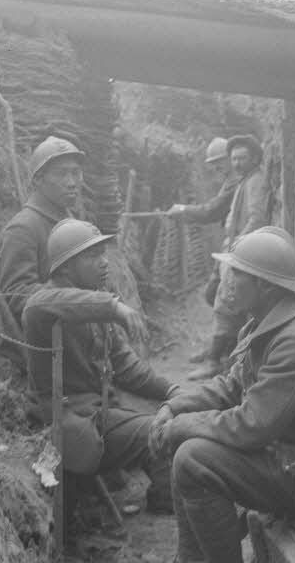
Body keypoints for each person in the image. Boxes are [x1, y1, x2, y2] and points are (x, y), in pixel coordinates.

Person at [127, 227, 295, 563]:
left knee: (194, 457)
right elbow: (230, 385)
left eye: (237, 274)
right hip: (294, 456)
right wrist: (175, 407)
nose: (226, 281)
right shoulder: (264, 326)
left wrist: (184, 427)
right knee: (189, 442)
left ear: (266, 287)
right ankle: (192, 562)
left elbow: (252, 425)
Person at [22, 219, 181, 514]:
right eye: (92, 256)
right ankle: (166, 506)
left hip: (99, 411)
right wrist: (113, 306)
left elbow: (126, 366)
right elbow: (40, 302)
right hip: (68, 418)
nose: (104, 263)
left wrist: (171, 390)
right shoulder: (46, 304)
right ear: (66, 267)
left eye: (103, 253)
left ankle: (162, 499)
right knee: (164, 432)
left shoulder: (92, 301)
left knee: (165, 420)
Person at [169, 134, 271, 379]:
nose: (236, 164)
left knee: (225, 304)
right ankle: (225, 353)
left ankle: (216, 360)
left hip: (242, 253)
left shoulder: (255, 181)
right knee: (221, 298)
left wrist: (239, 246)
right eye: (234, 159)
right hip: (235, 248)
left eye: (241, 158)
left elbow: (256, 218)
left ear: (255, 158)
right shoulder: (244, 180)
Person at [0, 135, 87, 329]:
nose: (71, 182)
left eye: (76, 172)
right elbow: (16, 295)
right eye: (61, 174)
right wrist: (69, 292)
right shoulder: (23, 228)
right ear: (38, 180)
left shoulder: (72, 222)